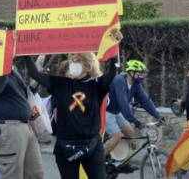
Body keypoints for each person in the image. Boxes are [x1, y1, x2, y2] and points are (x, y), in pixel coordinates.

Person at [24, 51, 118, 179]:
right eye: (71, 61)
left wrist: (114, 52)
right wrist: (25, 53)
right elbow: (35, 74)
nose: (72, 64)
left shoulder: (97, 84)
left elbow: (112, 73)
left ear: (87, 64)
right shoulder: (61, 83)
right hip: (65, 146)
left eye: (76, 60)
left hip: (92, 145)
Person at [103, 59, 165, 173]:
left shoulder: (136, 84)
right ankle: (98, 162)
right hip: (106, 111)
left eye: (143, 73)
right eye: (140, 72)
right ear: (131, 73)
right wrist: (135, 121)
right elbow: (123, 104)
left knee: (130, 133)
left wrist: (158, 116)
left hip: (116, 112)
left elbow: (145, 100)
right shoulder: (119, 80)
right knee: (117, 135)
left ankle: (120, 162)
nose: (142, 75)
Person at [0, 64, 45, 178]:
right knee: (12, 175)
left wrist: (37, 79)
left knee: (36, 174)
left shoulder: (14, 68)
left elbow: (23, 93)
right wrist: (4, 62)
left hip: (25, 127)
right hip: (8, 128)